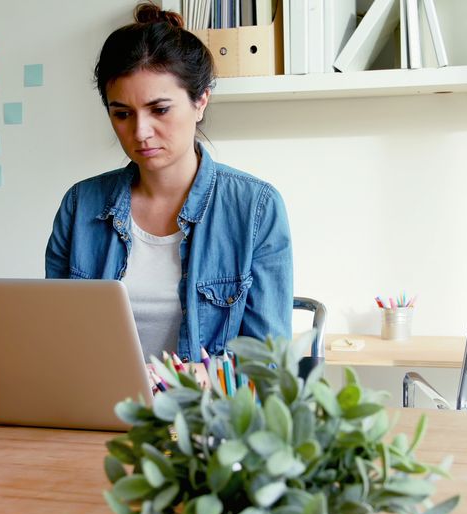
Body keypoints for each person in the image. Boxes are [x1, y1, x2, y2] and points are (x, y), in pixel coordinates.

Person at [45, 2, 293, 362]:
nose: (140, 131)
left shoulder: (255, 208)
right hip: (98, 414)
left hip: (204, 414)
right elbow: (57, 337)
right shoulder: (80, 204)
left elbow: (268, 362)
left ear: (200, 101)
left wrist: (189, 384)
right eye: (122, 114)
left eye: (159, 109)